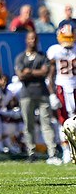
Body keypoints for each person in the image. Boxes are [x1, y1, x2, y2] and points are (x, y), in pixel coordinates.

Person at [15, 31, 59, 164]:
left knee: (46, 123)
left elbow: (45, 72)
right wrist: (35, 73)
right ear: (26, 40)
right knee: (28, 125)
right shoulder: (21, 57)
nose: (32, 41)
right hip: (26, 94)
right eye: (30, 38)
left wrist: (30, 72)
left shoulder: (42, 56)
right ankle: (31, 152)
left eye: (34, 38)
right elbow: (20, 75)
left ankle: (52, 152)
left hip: (42, 93)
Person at [47, 25, 76, 164]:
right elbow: (50, 75)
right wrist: (52, 94)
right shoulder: (55, 51)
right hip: (61, 88)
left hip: (75, 87)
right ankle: (66, 150)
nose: (68, 41)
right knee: (62, 121)